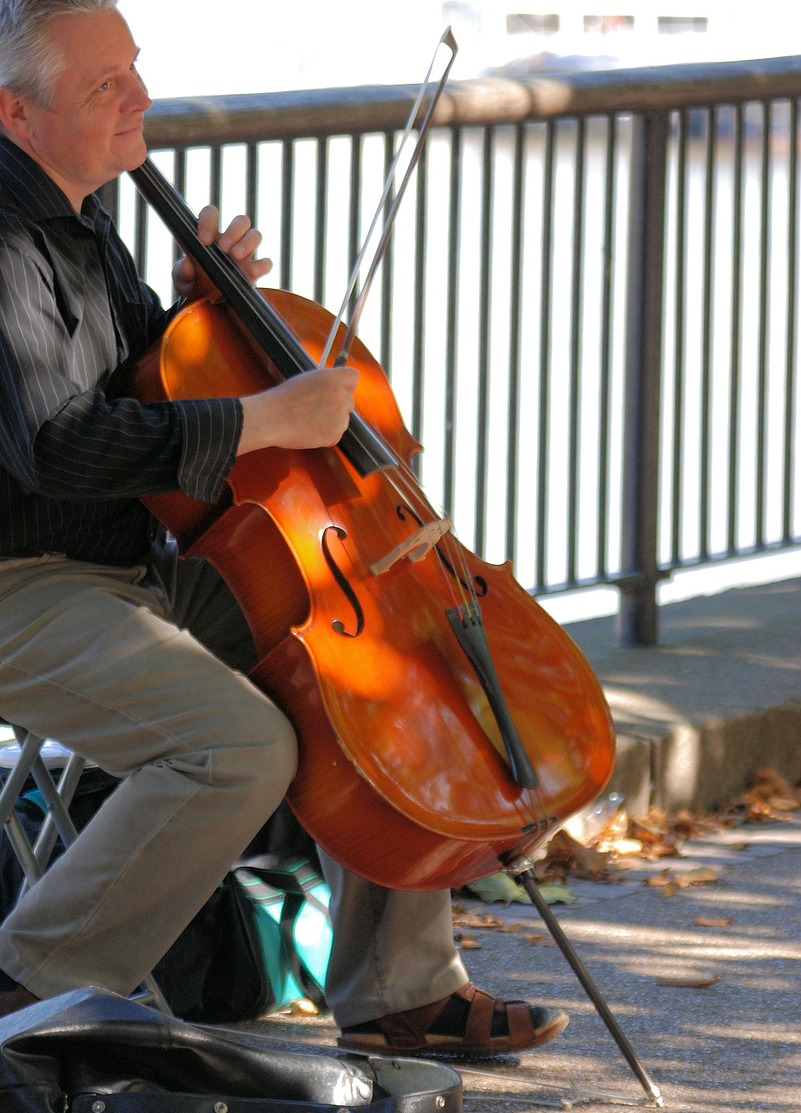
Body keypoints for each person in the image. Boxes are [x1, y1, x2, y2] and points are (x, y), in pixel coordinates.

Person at [0, 0, 568, 1058]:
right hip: (24, 581)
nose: (142, 100)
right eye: (104, 87)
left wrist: (189, 313)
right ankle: (31, 987)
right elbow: (55, 442)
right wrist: (265, 417)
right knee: (238, 743)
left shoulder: (83, 215)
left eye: (134, 70)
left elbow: (133, 384)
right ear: (13, 112)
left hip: (121, 564)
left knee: (375, 673)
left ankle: (400, 984)